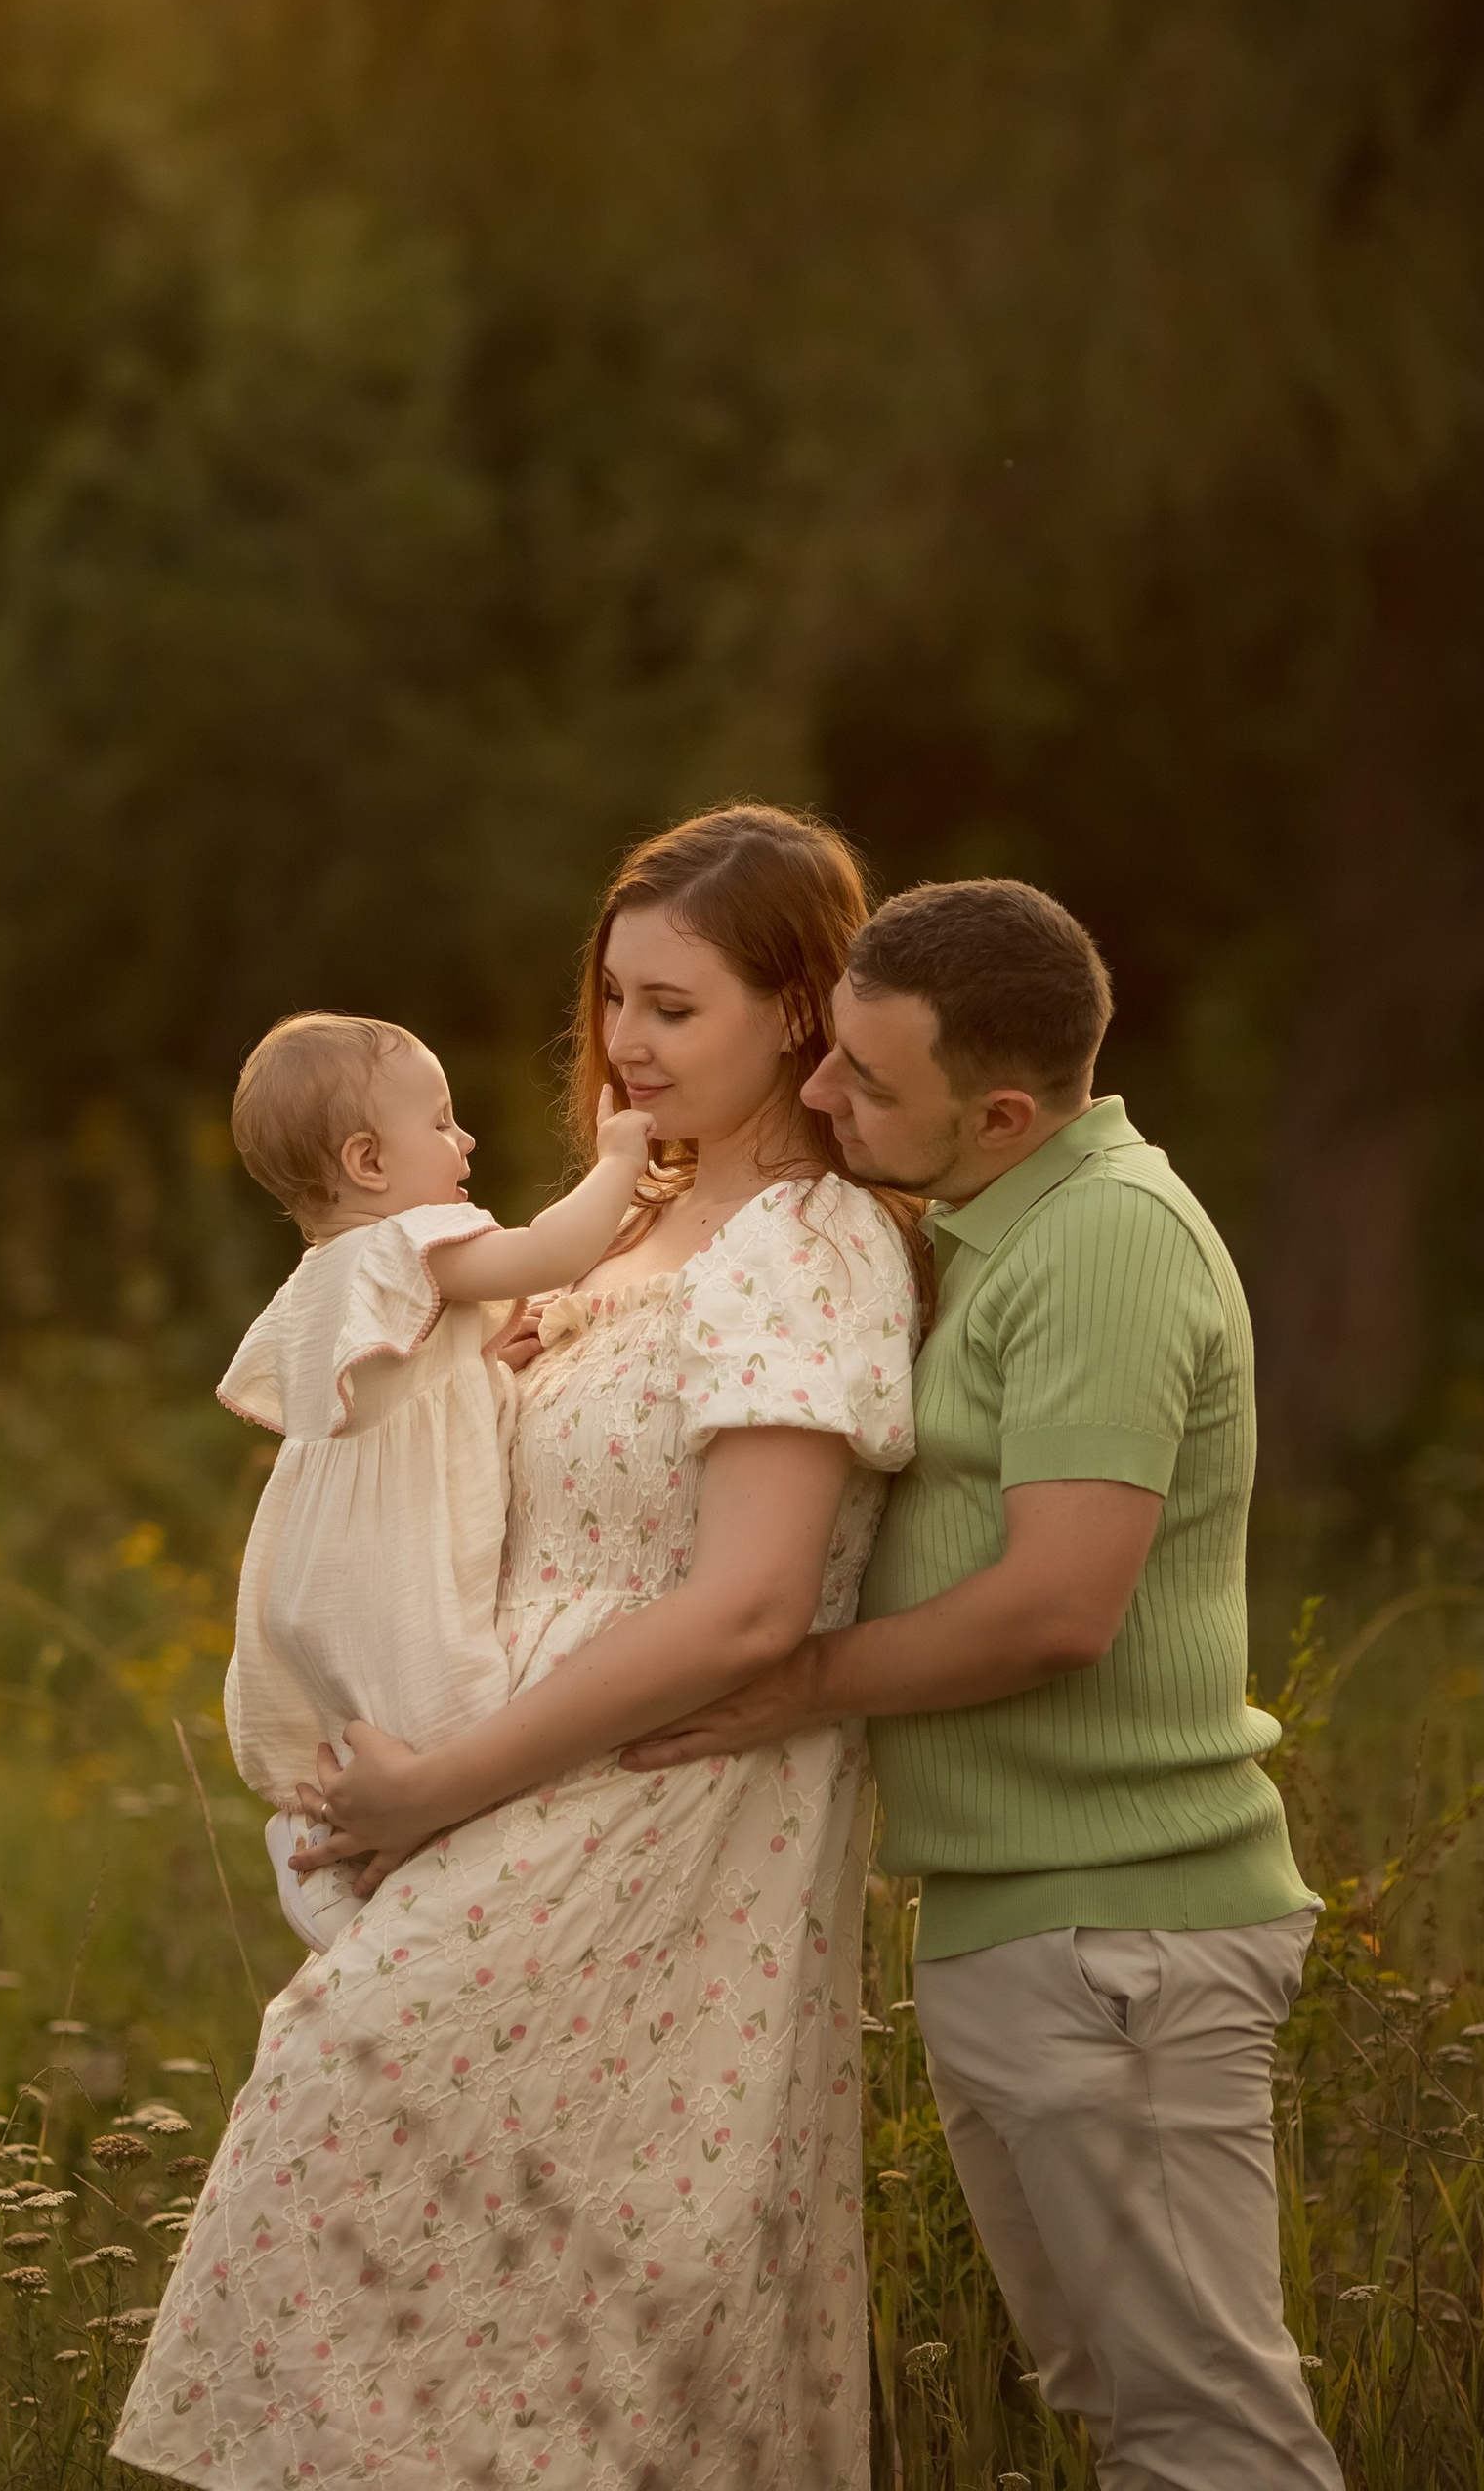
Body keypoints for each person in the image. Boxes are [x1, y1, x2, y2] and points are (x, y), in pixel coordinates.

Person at [114, 804, 924, 2491]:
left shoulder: (806, 1245)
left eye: (676, 1007)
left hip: (640, 1828)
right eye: (614, 999)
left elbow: (752, 1603)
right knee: (396, 2291)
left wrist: (436, 1789)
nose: (627, 1044)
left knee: (560, 2321)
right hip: (500, 1809)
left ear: (797, 1012)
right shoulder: (620, 1230)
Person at [624, 875, 1340, 2491]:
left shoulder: (1104, 1244)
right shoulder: (997, 1231)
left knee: (1208, 2433)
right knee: (1128, 2411)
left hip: (1123, 1934)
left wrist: (796, 1681)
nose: (821, 1092)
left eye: (868, 1081)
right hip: (1030, 1922)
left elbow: (1058, 1607)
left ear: (1004, 1110)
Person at [217, 1008, 660, 1944]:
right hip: (387, 1566)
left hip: (318, 1569)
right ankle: (361, 1871)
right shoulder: (410, 1240)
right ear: (370, 1163)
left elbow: (410, 1390)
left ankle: (325, 1830)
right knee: (453, 1720)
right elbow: (548, 1253)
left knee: (371, 1722)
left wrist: (488, 1363)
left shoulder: (327, 1270)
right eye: (443, 1121)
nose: (465, 1140)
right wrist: (621, 1163)